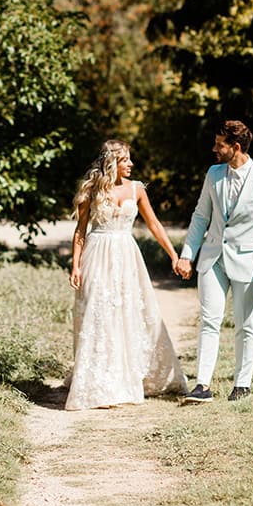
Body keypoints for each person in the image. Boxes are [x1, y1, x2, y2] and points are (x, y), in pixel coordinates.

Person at [66, 139, 187, 411]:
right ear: (112, 163)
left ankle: (130, 376)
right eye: (125, 160)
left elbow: (154, 224)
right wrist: (76, 265)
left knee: (129, 313)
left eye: (130, 159)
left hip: (127, 257)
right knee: (99, 314)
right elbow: (80, 232)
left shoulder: (137, 190)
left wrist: (173, 255)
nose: (131, 164)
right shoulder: (92, 190)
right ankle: (99, 383)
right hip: (97, 256)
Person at [176, 120, 253, 402]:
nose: (214, 149)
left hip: (249, 262)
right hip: (212, 259)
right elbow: (201, 216)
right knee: (209, 320)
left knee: (244, 323)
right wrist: (187, 254)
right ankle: (202, 385)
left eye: (219, 145)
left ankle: (242, 383)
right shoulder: (213, 174)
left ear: (235, 147)